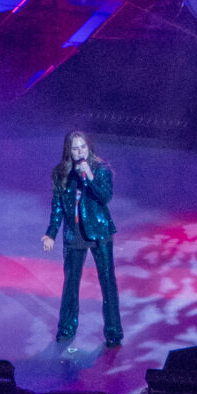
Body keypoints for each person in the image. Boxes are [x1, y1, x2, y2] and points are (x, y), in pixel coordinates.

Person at [40, 129, 121, 348]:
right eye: (75, 148)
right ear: (69, 150)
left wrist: (90, 177)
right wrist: (51, 233)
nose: (80, 151)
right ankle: (67, 328)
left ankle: (113, 332)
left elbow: (105, 197)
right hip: (74, 234)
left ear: (89, 148)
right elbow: (57, 207)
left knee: (107, 282)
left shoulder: (101, 169)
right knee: (71, 284)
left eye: (83, 147)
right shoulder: (61, 173)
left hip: (99, 232)